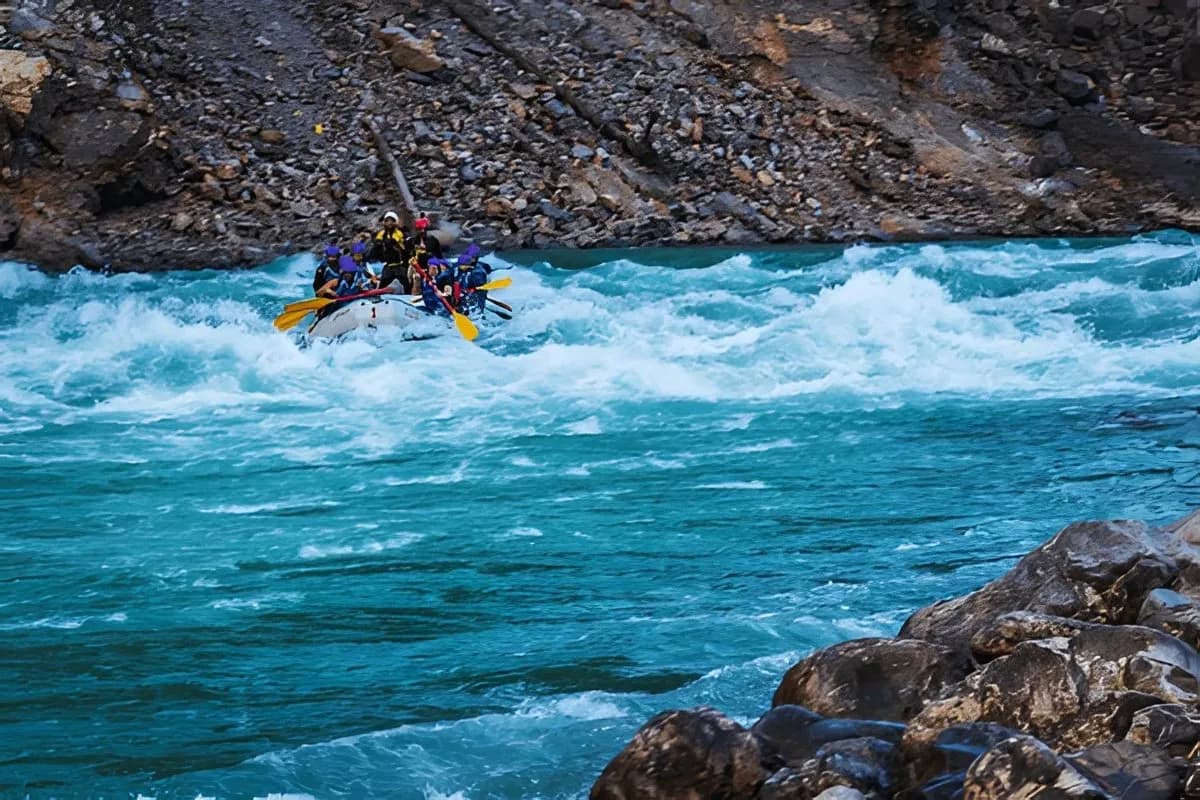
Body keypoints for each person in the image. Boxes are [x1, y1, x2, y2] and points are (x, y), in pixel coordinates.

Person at [369, 211, 408, 292]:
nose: (389, 223)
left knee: (405, 283)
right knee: (383, 284)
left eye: (391, 221)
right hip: (388, 265)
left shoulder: (399, 233)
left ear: (395, 222)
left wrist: (396, 244)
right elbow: (377, 246)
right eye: (387, 221)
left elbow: (404, 248)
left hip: (399, 265)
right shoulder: (381, 234)